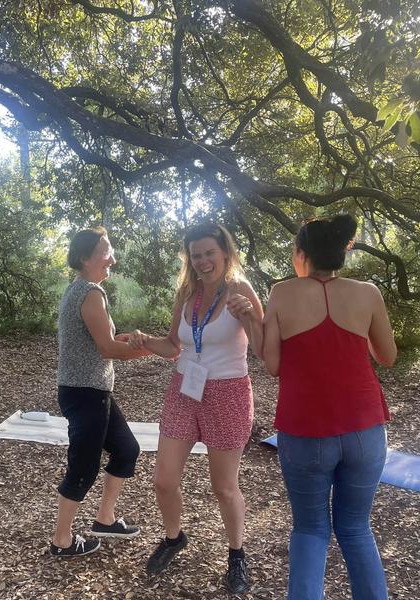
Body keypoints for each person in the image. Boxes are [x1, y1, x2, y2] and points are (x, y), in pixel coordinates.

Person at [262, 214, 397, 599]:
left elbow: (273, 365)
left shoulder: (282, 293)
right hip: (365, 429)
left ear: (301, 254)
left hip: (305, 431)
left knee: (310, 528)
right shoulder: (367, 292)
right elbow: (387, 356)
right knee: (356, 527)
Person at [129, 223, 264, 595]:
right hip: (183, 390)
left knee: (223, 487)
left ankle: (236, 553)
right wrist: (143, 341)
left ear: (225, 252)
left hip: (229, 394)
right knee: (164, 481)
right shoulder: (186, 293)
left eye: (209, 253)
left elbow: (264, 349)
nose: (203, 261)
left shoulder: (239, 289)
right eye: (196, 254)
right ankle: (174, 538)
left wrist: (250, 316)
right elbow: (174, 345)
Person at [50, 226, 150, 558]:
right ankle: (61, 541)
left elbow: (100, 340)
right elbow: (107, 349)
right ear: (85, 257)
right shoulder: (90, 292)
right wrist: (155, 349)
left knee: (126, 449)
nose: (113, 258)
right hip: (85, 392)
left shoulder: (79, 289)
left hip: (91, 391)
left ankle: (104, 520)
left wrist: (130, 341)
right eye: (106, 251)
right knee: (84, 466)